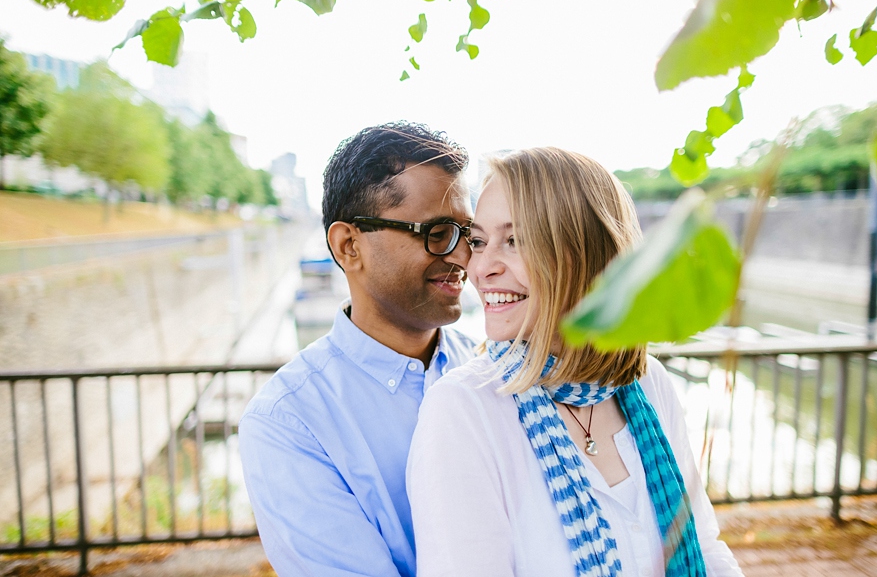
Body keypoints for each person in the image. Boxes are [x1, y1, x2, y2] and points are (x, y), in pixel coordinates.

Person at [407, 147, 742, 576]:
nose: (481, 268)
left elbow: (705, 549)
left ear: (585, 252)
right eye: (478, 241)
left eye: (515, 240)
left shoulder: (647, 383)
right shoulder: (464, 410)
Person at [240, 122, 476, 577]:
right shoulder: (289, 423)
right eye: (439, 232)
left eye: (469, 233)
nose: (464, 256)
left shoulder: (496, 368)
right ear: (349, 246)